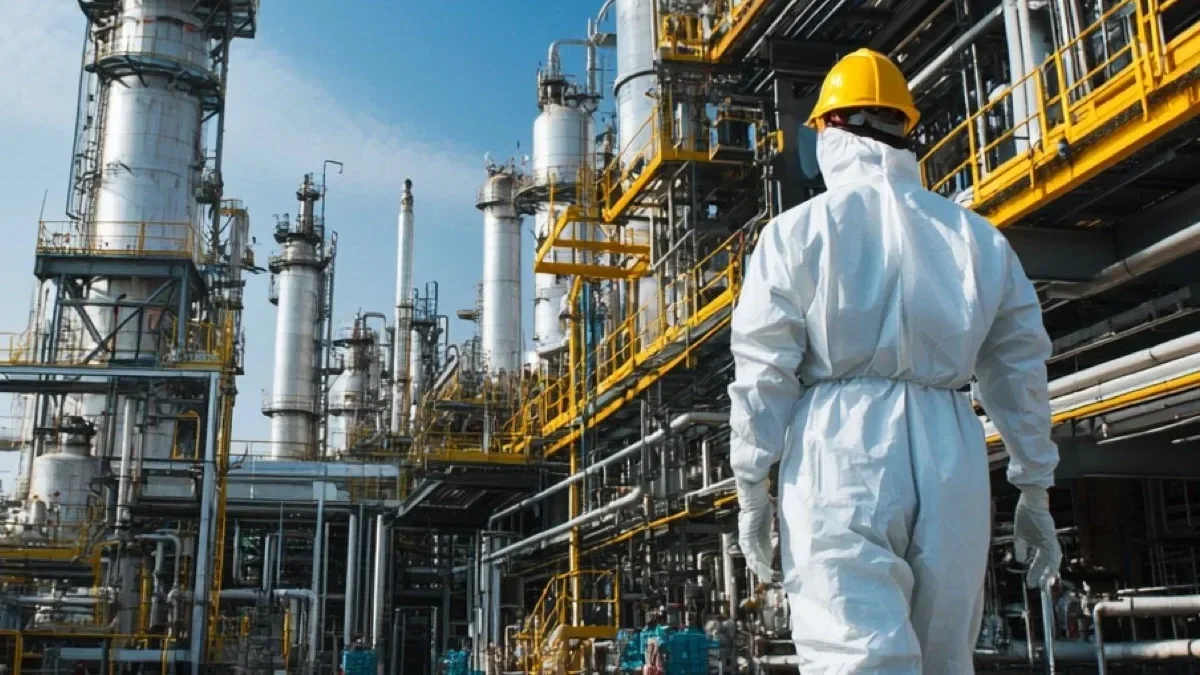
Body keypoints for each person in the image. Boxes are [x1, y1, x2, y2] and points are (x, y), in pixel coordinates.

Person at [727, 48, 1062, 673]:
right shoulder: (977, 238)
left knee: (853, 654)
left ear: (828, 129)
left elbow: (763, 373)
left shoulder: (797, 233)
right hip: (951, 449)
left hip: (839, 450)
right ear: (903, 130)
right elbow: (1019, 372)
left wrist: (752, 486)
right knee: (945, 657)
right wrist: (1033, 484)